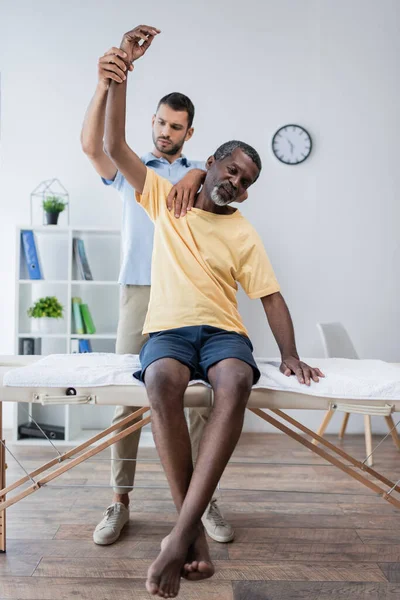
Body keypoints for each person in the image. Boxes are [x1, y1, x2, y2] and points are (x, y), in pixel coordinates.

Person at [104, 26, 324, 598]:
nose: (236, 182)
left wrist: (293, 354)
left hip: (223, 331)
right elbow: (114, 148)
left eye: (246, 181)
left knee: (235, 379)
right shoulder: (164, 196)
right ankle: (190, 533)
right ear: (211, 161)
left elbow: (270, 296)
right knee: (161, 382)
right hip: (168, 331)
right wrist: (121, 74)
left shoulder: (244, 232)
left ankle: (178, 539)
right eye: (230, 170)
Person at [80, 25, 235, 546]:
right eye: (161, 123)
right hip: (139, 292)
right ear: (152, 122)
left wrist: (194, 173)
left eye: (177, 127)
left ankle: (199, 501)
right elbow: (94, 144)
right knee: (128, 399)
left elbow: (224, 174)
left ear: (191, 134)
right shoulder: (132, 169)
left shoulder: (199, 172)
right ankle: (119, 500)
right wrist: (111, 78)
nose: (166, 132)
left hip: (189, 298)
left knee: (197, 399)